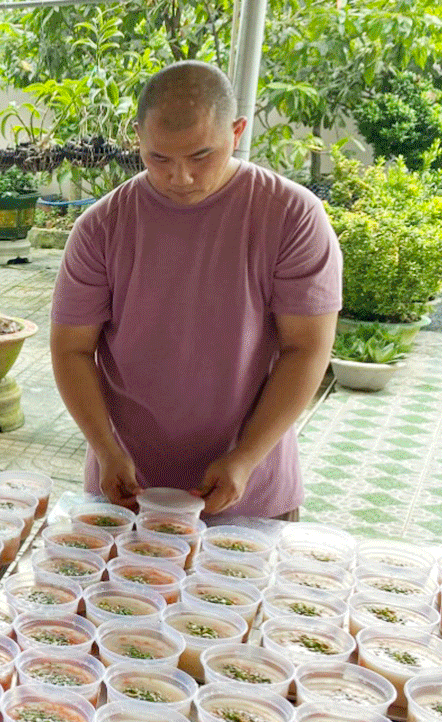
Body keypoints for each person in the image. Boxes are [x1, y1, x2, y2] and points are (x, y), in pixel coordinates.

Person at [50, 60, 341, 519]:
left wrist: (244, 458)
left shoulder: (291, 216)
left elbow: (305, 348)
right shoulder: (101, 227)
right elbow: (71, 350)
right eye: (158, 158)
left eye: (201, 155)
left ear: (238, 131)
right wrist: (105, 448)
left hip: (253, 493)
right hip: (125, 491)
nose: (179, 177)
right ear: (138, 139)